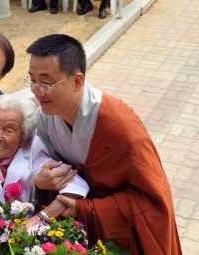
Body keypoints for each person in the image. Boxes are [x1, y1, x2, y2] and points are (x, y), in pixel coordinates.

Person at [25, 34, 182, 254]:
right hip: (75, 229)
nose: (36, 90)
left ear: (77, 81)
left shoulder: (120, 127)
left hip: (119, 235)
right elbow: (44, 161)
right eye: (32, 80)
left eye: (46, 83)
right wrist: (39, 178)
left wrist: (85, 209)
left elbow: (153, 201)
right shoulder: (46, 118)